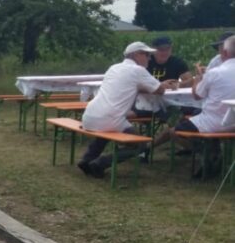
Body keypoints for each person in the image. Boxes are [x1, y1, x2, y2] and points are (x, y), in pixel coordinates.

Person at [77, 41, 177, 179]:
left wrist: (157, 85)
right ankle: (100, 163)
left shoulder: (114, 68)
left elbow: (131, 85)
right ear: (137, 54)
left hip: (89, 115)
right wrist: (164, 85)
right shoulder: (138, 70)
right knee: (141, 144)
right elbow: (159, 90)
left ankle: (87, 159)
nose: (149, 58)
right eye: (147, 55)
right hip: (110, 119)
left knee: (105, 132)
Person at [173, 36, 235, 178]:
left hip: (215, 122)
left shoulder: (215, 72)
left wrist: (199, 78)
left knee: (176, 130)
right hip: (233, 121)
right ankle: (215, 153)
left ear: (224, 53)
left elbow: (197, 95)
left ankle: (208, 154)